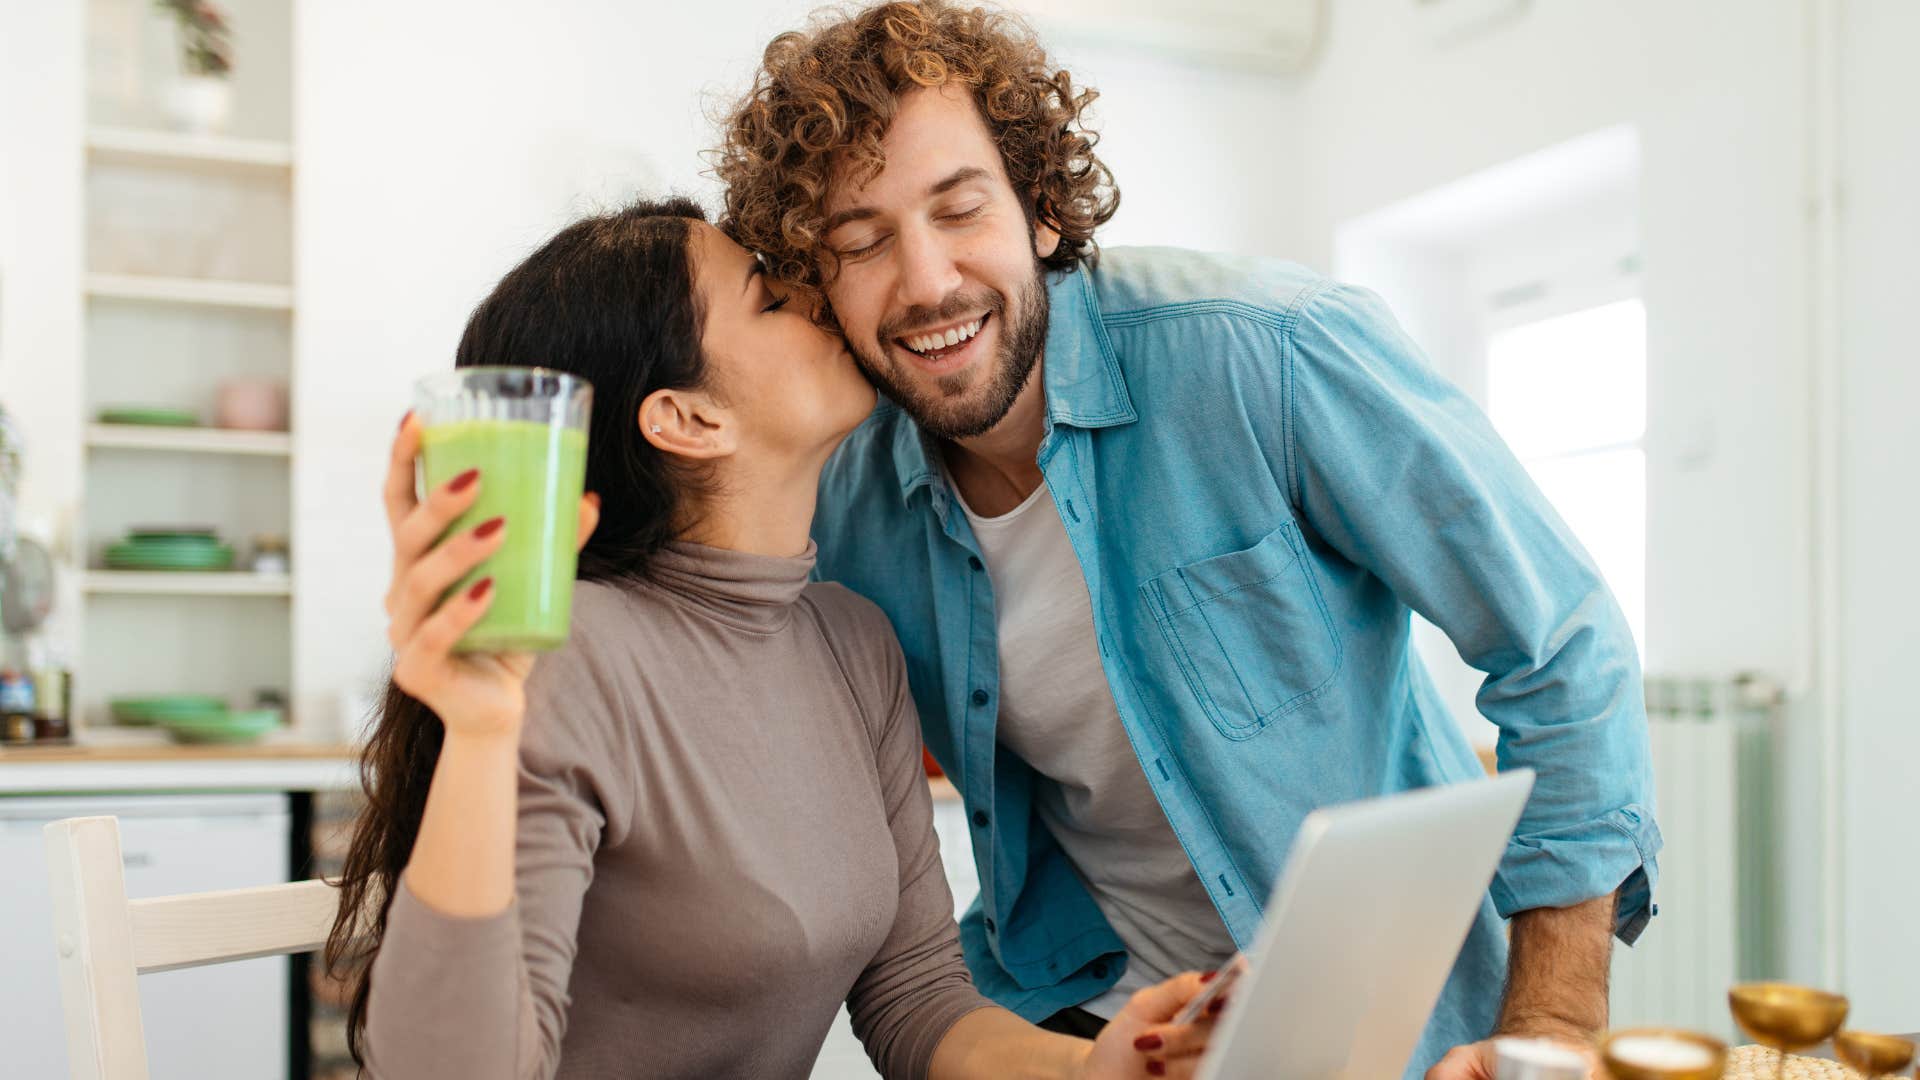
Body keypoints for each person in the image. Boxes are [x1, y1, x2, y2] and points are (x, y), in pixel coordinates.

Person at [712, 4, 1662, 1078]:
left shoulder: (1272, 356)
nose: (926, 279)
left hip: (1392, 1027)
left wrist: (1552, 1026)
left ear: (1040, 210)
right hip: (1088, 1023)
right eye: (861, 241)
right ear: (817, 278)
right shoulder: (842, 503)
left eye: (959, 208)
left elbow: (1561, 647)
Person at [324, 198, 1221, 1079]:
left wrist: (1087, 1068)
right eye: (766, 294)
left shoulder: (852, 645)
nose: (820, 295)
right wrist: (482, 733)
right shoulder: (565, 655)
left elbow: (915, 996)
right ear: (688, 418)